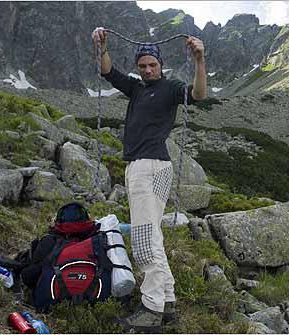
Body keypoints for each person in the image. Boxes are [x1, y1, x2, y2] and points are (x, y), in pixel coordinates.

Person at [91, 27, 207, 333]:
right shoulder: (137, 88)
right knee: (152, 235)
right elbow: (108, 72)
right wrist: (102, 46)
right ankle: (166, 302)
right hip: (147, 167)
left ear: (160, 64)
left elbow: (198, 95)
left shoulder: (170, 88)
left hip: (149, 168)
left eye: (152, 65)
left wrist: (199, 60)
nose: (147, 69)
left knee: (143, 240)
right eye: (142, 66)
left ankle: (151, 309)